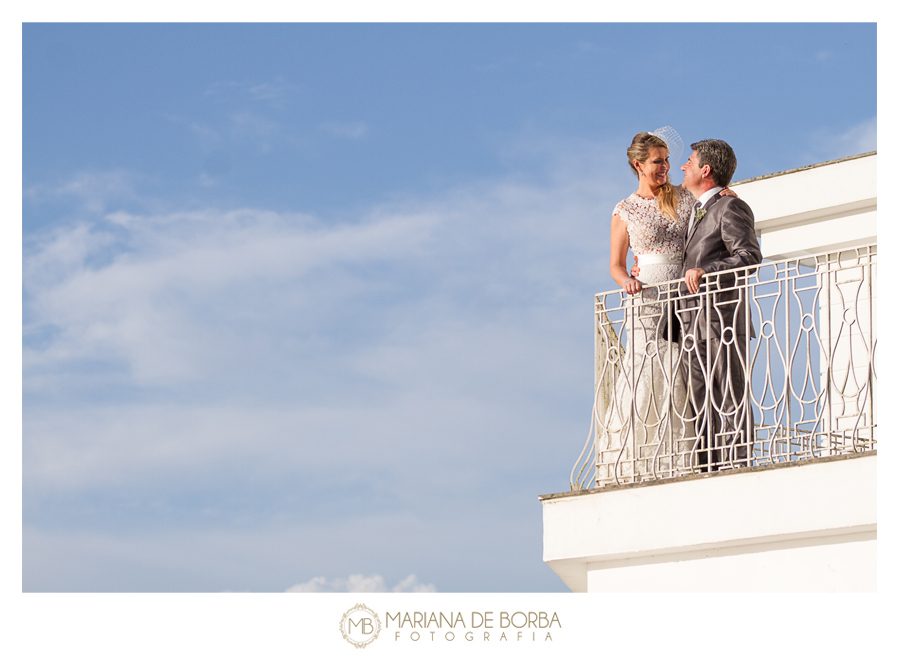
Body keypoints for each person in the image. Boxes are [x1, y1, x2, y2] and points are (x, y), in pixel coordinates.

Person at [596, 130, 697, 485]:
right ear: (638, 164)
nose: (666, 167)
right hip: (646, 296)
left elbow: (711, 204)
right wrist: (627, 281)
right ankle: (634, 456)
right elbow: (615, 265)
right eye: (658, 161)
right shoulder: (624, 210)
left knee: (680, 365)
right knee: (644, 367)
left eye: (668, 160)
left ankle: (682, 452)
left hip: (684, 291)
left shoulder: (683, 198)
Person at [668, 139, 762, 472]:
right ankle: (706, 471)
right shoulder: (696, 210)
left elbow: (749, 256)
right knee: (699, 402)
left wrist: (706, 272)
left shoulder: (730, 207)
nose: (683, 166)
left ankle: (737, 468)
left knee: (729, 396)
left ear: (705, 170)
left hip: (721, 319)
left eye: (690, 161)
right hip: (691, 322)